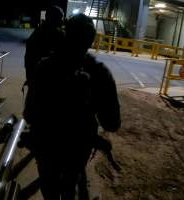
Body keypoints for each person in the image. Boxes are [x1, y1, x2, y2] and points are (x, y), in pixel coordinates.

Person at [23, 13, 121, 200]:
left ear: (65, 33)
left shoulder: (45, 66)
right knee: (70, 185)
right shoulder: (100, 73)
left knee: (49, 187)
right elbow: (112, 124)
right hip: (78, 148)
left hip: (46, 145)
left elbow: (29, 114)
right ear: (91, 41)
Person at [24, 6, 65, 86]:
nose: (62, 20)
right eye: (60, 17)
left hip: (37, 81)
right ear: (52, 18)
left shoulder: (39, 32)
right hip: (43, 82)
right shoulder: (53, 35)